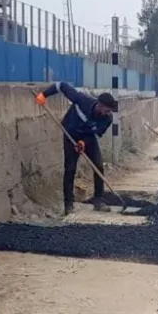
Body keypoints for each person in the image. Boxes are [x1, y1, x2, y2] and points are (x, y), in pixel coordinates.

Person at [35, 82, 118, 216]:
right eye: (106, 109)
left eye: (109, 110)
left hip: (88, 138)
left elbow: (96, 134)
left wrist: (83, 142)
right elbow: (60, 85)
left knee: (98, 166)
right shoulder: (81, 100)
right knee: (70, 168)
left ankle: (98, 200)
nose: (107, 113)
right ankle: (68, 204)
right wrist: (44, 95)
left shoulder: (107, 119)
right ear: (99, 105)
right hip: (70, 134)